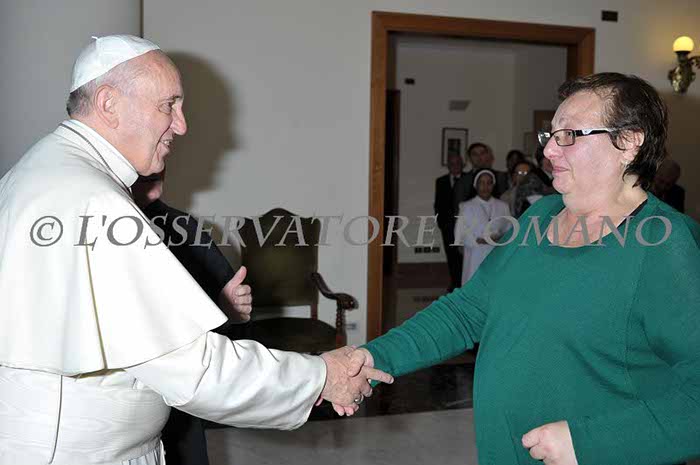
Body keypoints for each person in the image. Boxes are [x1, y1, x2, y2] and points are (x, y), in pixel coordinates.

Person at [0, 35, 392, 464]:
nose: (181, 125)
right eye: (168, 105)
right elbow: (197, 371)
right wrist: (321, 376)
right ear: (109, 103)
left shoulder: (38, 171)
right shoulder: (96, 201)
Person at [345, 73, 700, 465]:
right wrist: (373, 357)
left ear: (629, 142)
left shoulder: (666, 244)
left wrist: (587, 442)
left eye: (569, 135)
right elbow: (467, 311)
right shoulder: (541, 215)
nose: (548, 150)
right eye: (551, 135)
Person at [132, 171, 250, 465]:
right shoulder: (91, 219)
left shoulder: (184, 227)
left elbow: (225, 310)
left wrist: (228, 308)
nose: (155, 172)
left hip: (180, 382)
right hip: (121, 393)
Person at [454, 169, 511, 285]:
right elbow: (460, 232)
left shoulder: (503, 206)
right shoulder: (466, 206)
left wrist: (501, 238)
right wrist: (478, 240)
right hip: (475, 253)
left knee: (494, 284)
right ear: (476, 185)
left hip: (496, 252)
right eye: (482, 183)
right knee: (474, 284)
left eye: (489, 183)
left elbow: (509, 230)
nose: (485, 187)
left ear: (493, 185)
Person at [434, 152, 466, 290]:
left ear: (462, 164)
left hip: (465, 226)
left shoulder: (468, 179)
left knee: (465, 255)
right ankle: (455, 283)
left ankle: (465, 283)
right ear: (448, 166)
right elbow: (438, 204)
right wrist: (441, 223)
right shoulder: (441, 181)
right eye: (452, 164)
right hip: (448, 226)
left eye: (458, 163)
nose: (455, 166)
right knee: (451, 255)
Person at [453, 142, 509, 208]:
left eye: (482, 153)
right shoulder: (462, 181)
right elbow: (459, 208)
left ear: (488, 156)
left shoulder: (500, 177)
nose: (479, 157)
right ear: (469, 158)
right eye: (475, 154)